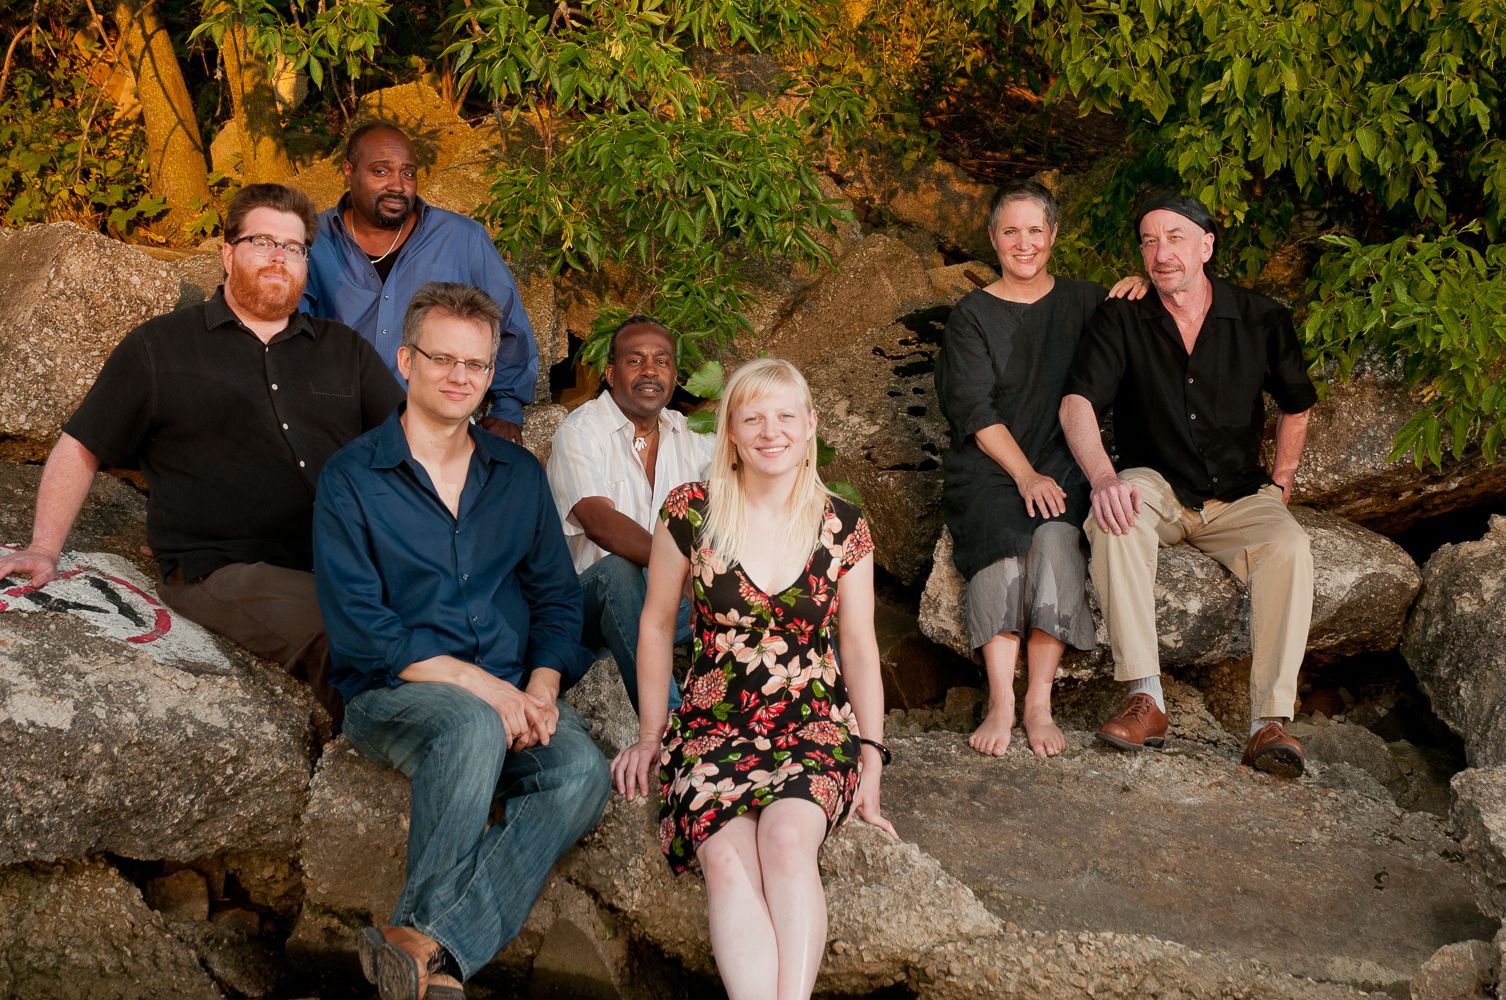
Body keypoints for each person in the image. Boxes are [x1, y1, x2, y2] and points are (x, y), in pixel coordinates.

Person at [0, 183, 403, 722]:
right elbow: (81, 447)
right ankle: (400, 746)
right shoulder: (159, 348)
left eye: (294, 246)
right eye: (263, 241)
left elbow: (411, 445)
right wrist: (44, 547)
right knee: (351, 630)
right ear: (227, 253)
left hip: (344, 556)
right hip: (222, 568)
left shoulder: (343, 349)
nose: (279, 257)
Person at [313, 282, 608, 1000]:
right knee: (471, 722)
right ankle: (433, 944)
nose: (459, 376)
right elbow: (364, 631)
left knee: (580, 771)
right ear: (405, 359)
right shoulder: (352, 478)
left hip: (510, 689)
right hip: (394, 694)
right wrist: (486, 689)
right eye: (442, 358)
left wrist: (541, 689)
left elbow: (556, 599)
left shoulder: (517, 476)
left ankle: (426, 946)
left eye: (475, 364)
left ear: (489, 374)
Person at [611, 357, 897, 1000]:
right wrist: (652, 735)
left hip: (813, 725)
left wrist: (872, 756)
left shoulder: (844, 524)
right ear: (731, 432)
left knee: (788, 844)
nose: (772, 432)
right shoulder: (690, 511)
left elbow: (858, 646)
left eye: (786, 416)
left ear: (810, 425)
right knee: (726, 861)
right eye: (754, 418)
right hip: (712, 727)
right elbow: (655, 625)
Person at [1059, 193, 1317, 776]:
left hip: (1240, 492)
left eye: (1175, 238)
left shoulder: (1261, 318)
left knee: (1291, 545)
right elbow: (1077, 403)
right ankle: (1146, 699)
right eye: (1149, 241)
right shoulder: (1122, 315)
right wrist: (1103, 478)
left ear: (1207, 246)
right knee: (1114, 517)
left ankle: (1268, 723)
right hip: (1157, 483)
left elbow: (1297, 406)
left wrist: (1282, 480)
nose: (1161, 253)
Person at [935, 180, 1107, 759]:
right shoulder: (971, 317)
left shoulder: (1087, 301)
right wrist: (1024, 475)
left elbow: (1142, 329)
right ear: (993, 238)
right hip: (991, 462)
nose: (1024, 243)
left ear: (1053, 235)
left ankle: (1038, 701)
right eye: (1011, 231)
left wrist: (1135, 287)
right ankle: (1001, 701)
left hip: (1062, 457)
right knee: (1002, 540)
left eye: (1035, 230)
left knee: (1056, 537)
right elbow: (974, 409)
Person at [302, 121, 538, 443]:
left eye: (408, 173)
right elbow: (289, 333)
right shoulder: (311, 241)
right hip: (335, 426)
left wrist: (507, 408)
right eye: (381, 171)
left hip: (432, 428)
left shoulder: (461, 239)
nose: (398, 186)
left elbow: (508, 323)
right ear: (348, 171)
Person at [546, 316, 713, 712]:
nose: (650, 370)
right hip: (585, 608)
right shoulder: (581, 431)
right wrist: (682, 567)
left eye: (662, 361)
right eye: (635, 360)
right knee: (618, 572)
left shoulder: (690, 436)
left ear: (674, 375)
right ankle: (669, 727)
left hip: (664, 603)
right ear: (610, 374)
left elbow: (741, 497)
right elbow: (598, 523)